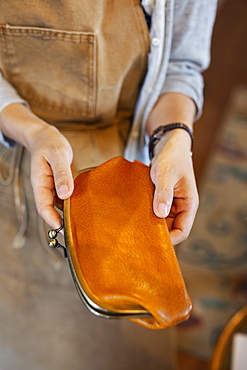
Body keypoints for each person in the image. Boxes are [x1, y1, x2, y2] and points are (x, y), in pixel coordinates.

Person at [0, 1, 217, 369]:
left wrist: (173, 136)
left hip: (128, 190)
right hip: (12, 158)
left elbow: (181, 64)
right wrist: (30, 129)